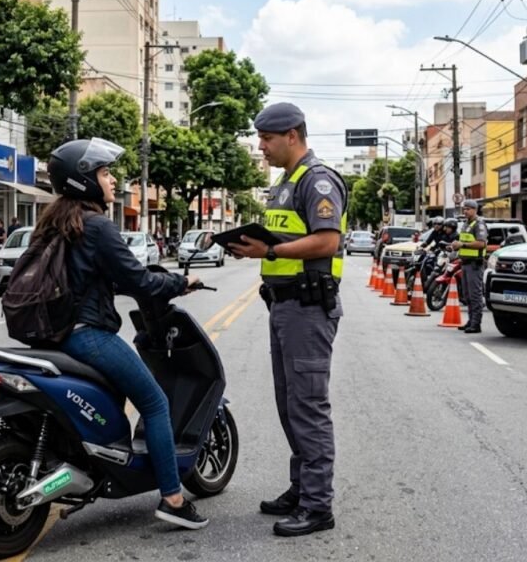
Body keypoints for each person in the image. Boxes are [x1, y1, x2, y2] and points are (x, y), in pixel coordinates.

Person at [43, 137, 208, 530]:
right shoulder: (97, 225)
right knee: (155, 403)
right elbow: (137, 281)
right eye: (104, 172)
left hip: (53, 334)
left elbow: (98, 278)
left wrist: (155, 279)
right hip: (88, 336)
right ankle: (171, 497)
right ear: (84, 181)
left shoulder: (54, 223)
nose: (113, 179)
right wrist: (180, 284)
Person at [227, 103, 346, 538]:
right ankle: (301, 489)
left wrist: (270, 251)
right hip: (284, 307)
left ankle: (318, 506)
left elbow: (327, 241)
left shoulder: (317, 180)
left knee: (308, 406)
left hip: (308, 309)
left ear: (292, 135)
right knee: (290, 404)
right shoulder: (286, 183)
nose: (261, 147)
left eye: (267, 138)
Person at [450, 200, 489, 333]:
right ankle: (470, 320)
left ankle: (476, 324)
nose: (465, 211)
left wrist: (463, 245)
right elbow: (463, 241)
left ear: (474, 210)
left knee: (475, 295)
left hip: (474, 264)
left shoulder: (479, 224)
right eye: (464, 209)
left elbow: (481, 243)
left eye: (467, 209)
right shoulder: (466, 224)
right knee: (467, 295)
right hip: (465, 263)